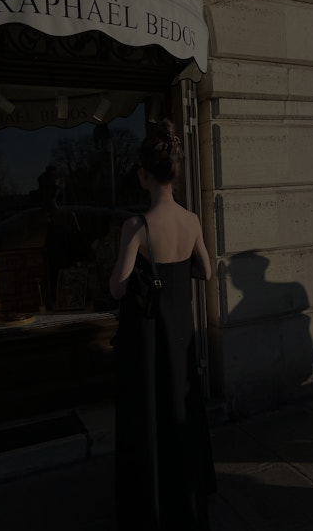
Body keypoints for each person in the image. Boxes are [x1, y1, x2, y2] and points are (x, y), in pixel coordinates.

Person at [109, 120, 216, 531]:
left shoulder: (136, 227)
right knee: (181, 412)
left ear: (144, 175)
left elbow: (118, 288)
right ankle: (186, 501)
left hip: (148, 339)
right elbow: (206, 271)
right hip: (181, 335)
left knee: (149, 419)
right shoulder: (191, 220)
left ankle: (152, 507)